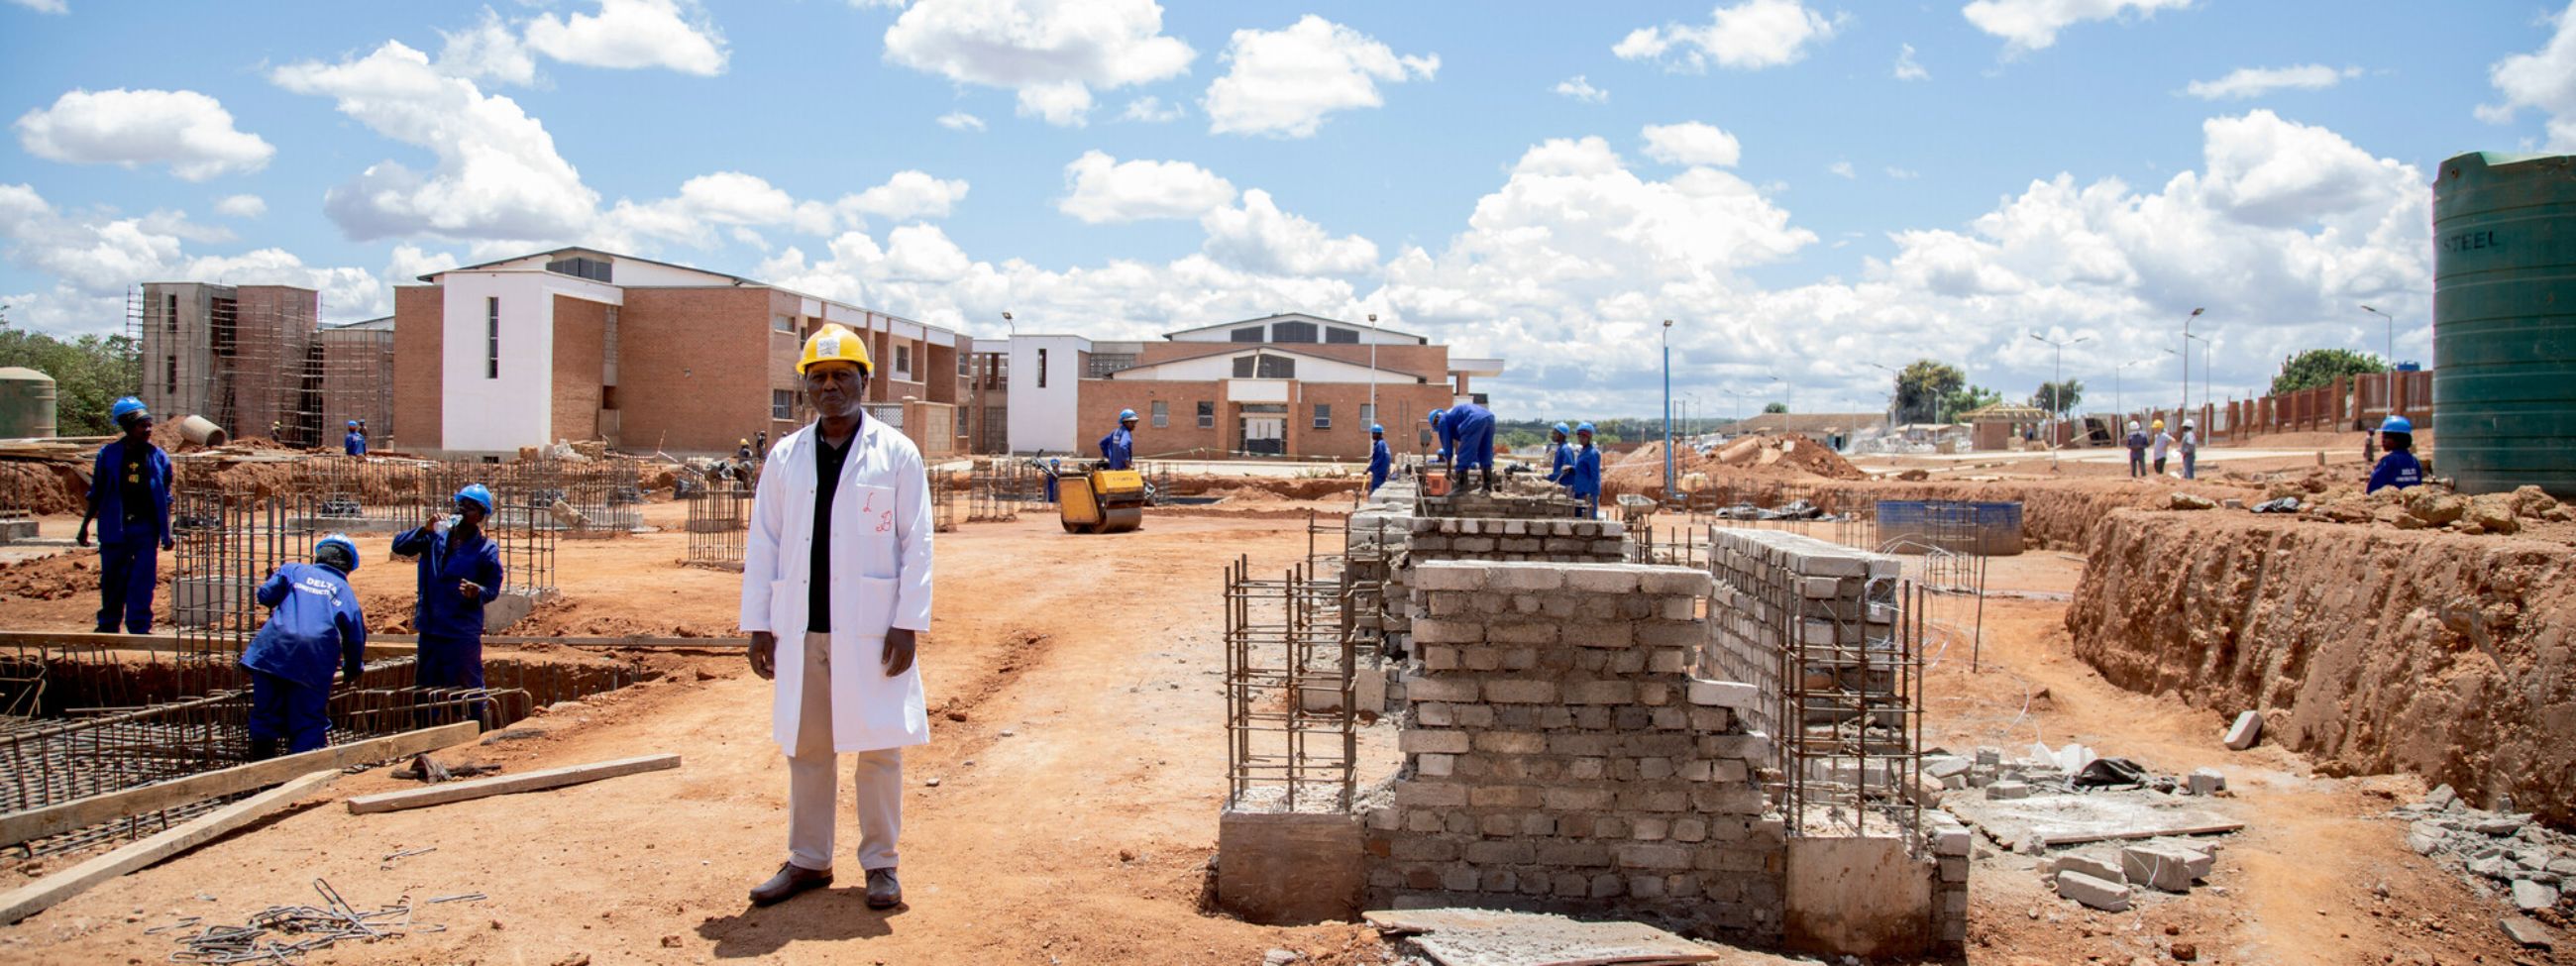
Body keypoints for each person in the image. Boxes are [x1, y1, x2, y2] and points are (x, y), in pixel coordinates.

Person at [741, 322, 933, 912]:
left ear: (864, 381)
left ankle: (881, 863)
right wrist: (758, 624)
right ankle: (808, 860)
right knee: (808, 748)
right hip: (803, 627)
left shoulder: (896, 453)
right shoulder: (785, 457)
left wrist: (908, 622)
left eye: (841, 376)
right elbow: (766, 542)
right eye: (819, 378)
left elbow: (917, 541)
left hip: (873, 628)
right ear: (804, 387)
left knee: (879, 748)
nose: (830, 387)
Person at [240, 535, 368, 758]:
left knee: (265, 715)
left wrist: (276, 580)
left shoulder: (294, 570)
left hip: (272, 652)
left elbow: (265, 595)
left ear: (318, 556)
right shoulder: (344, 592)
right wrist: (352, 668)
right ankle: (299, 777)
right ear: (348, 568)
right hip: (313, 660)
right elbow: (355, 637)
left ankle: (260, 772)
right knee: (307, 722)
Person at [390, 483, 503, 724]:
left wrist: (478, 592)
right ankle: (424, 734)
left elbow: (493, 589)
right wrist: (424, 528)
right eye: (460, 505)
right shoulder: (434, 538)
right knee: (425, 688)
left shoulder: (486, 550)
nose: (463, 511)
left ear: (481, 516)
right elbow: (399, 546)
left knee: (468, 686)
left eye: (471, 508)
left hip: (460, 630)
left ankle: (478, 731)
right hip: (431, 627)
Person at [77, 397, 173, 634]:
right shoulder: (108, 455)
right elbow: (96, 492)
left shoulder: (158, 457)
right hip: (114, 529)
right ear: (127, 426)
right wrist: (84, 526)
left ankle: (139, 627)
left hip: (144, 530)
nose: (148, 430)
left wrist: (166, 532)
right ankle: (108, 625)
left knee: (142, 581)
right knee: (112, 580)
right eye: (143, 425)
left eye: (149, 424)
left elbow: (165, 496)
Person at [1437, 400, 1498, 493]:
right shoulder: (1453, 414)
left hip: (1475, 419)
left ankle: (1461, 486)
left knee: (1464, 453)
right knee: (1485, 451)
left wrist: (1448, 470)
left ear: (1435, 422)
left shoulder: (1442, 421)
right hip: (1489, 417)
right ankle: (1487, 486)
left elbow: (1447, 447)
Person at [2366, 415, 2423, 494]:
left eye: (2385, 437)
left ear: (2398, 439)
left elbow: (2373, 488)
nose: (2382, 441)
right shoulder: (2414, 461)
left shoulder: (2388, 461)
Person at [1566, 423, 1603, 517]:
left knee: (1589, 520)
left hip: (1588, 494)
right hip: (1579, 491)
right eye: (1579, 436)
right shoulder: (1582, 452)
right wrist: (1571, 469)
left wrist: (1591, 494)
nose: (1581, 438)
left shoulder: (1592, 453)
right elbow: (1581, 470)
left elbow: (1595, 476)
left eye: (1584, 436)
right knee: (1578, 519)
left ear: (1589, 437)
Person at [1545, 423, 1574, 488]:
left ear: (1561, 435)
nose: (1553, 435)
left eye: (1555, 433)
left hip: (1565, 485)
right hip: (1561, 484)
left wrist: (1549, 477)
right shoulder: (1560, 448)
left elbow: (1565, 470)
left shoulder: (1565, 449)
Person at [1366, 423, 1391, 494]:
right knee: (1380, 492)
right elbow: (1383, 456)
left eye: (1373, 433)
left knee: (1376, 492)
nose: (1372, 435)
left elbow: (1379, 459)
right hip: (1383, 472)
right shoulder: (1384, 444)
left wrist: (1369, 468)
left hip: (1379, 473)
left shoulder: (1379, 445)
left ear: (1378, 434)